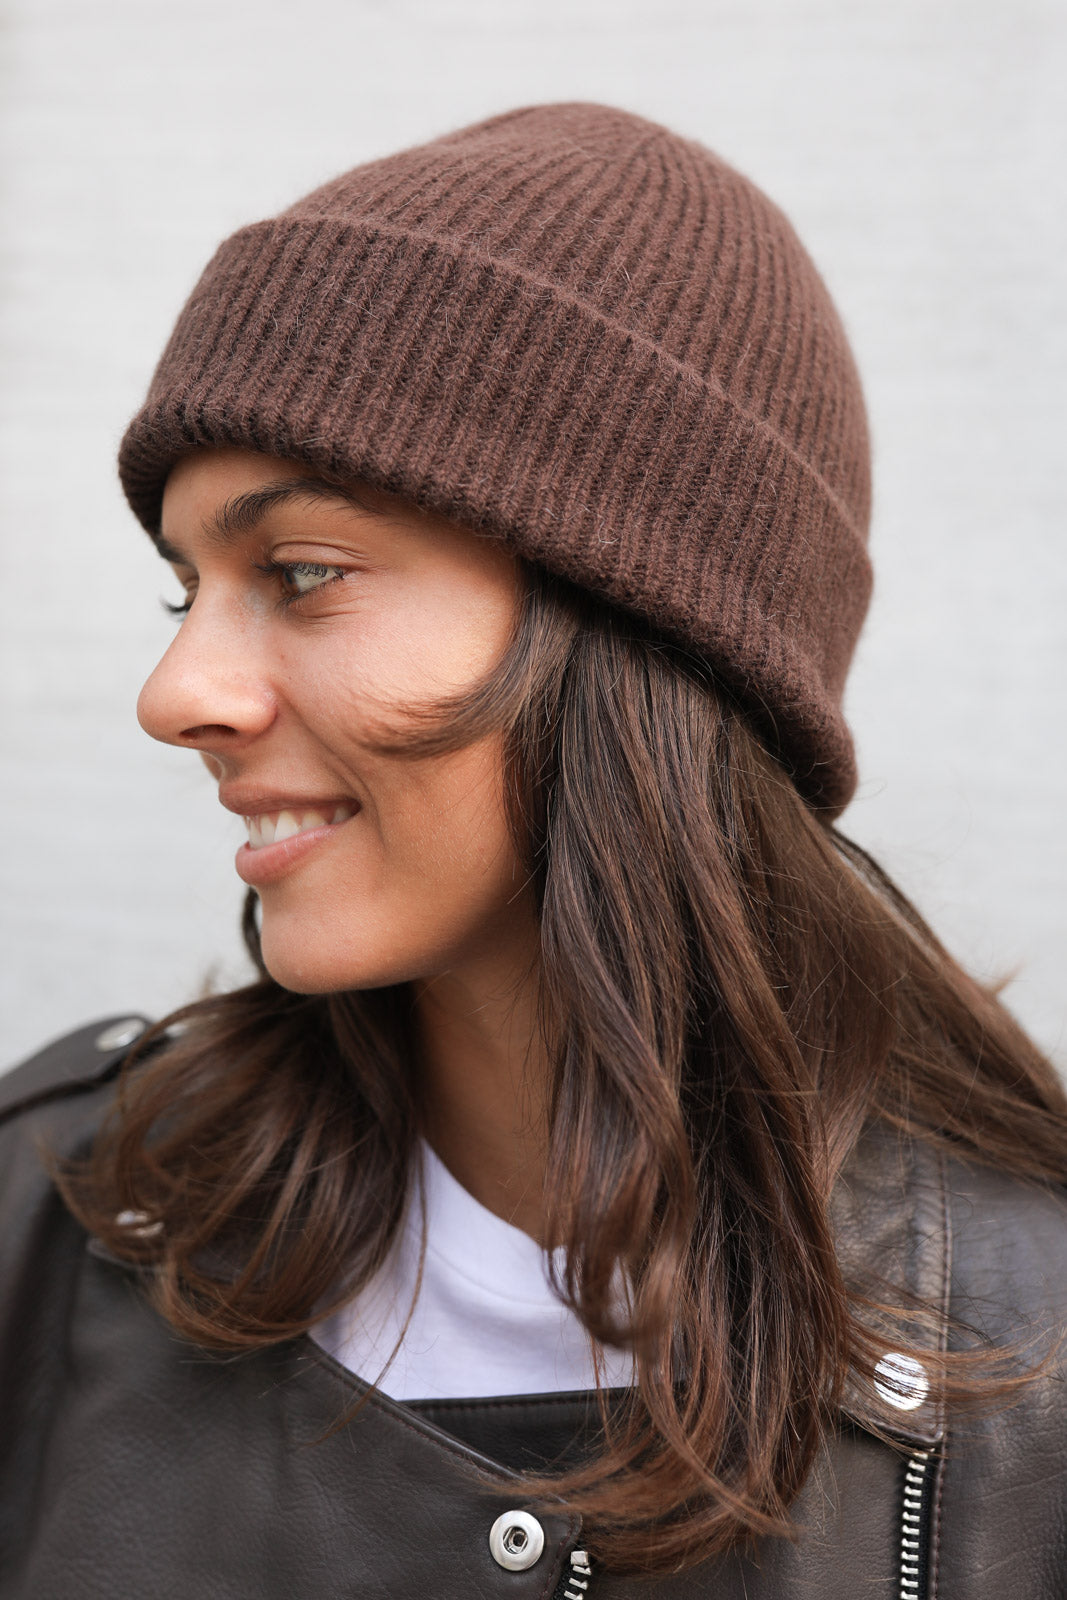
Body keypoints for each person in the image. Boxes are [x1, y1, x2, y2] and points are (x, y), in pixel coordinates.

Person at [1, 102, 1065, 1600]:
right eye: (184, 592)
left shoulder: (1035, 1361)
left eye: (301, 574)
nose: (176, 697)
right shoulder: (51, 1224)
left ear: (641, 639)